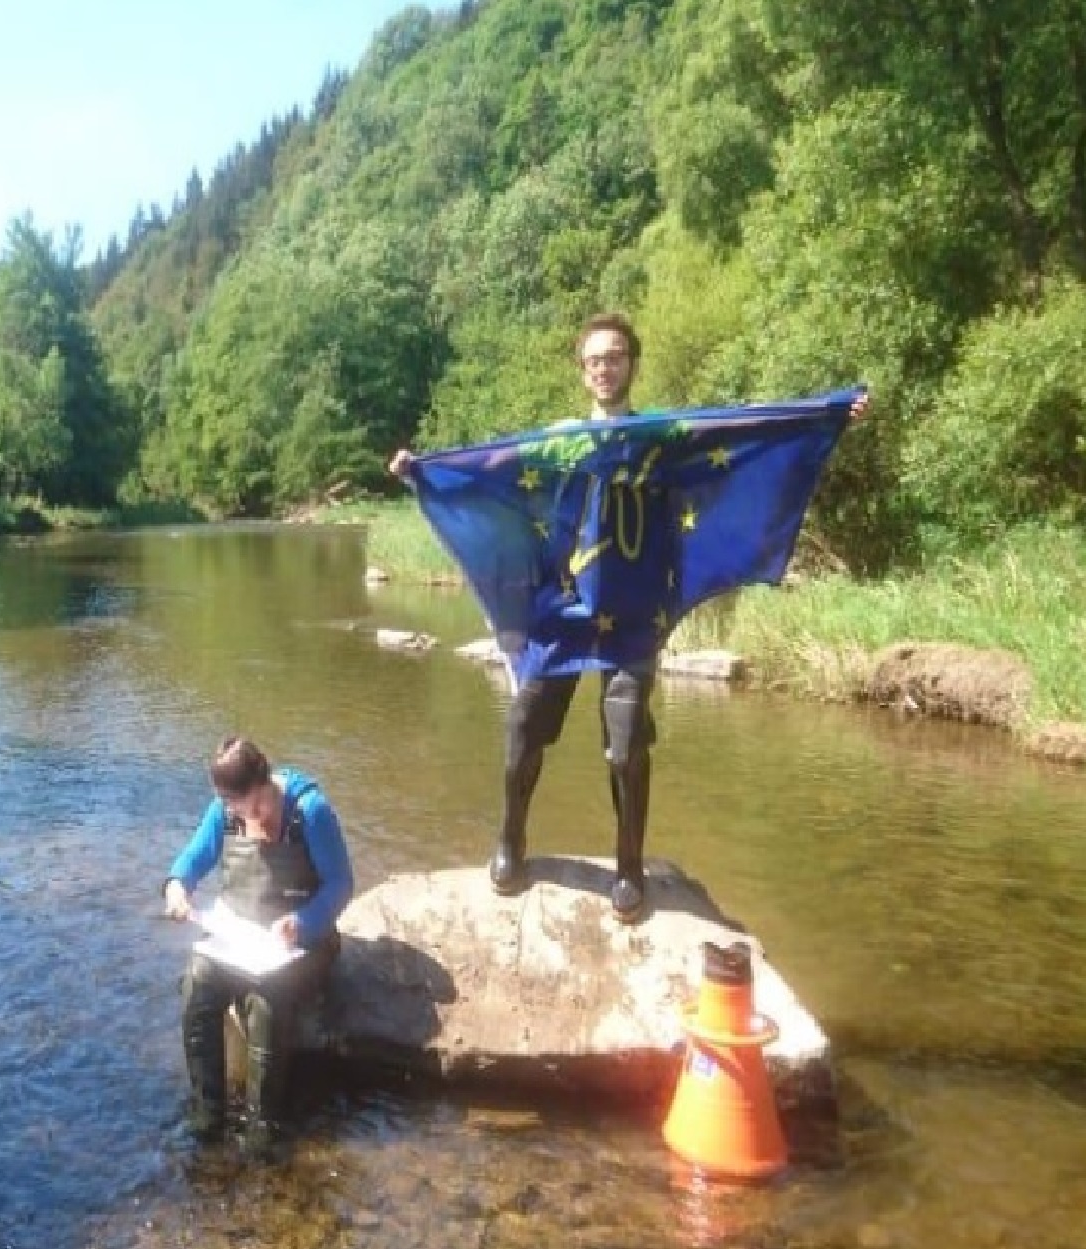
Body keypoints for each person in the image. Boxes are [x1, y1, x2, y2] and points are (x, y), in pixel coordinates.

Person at [389, 313, 867, 924]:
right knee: (523, 730)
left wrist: (827, 417)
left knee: (624, 750)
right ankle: (510, 842)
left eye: (613, 356)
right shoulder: (557, 440)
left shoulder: (660, 438)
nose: (603, 368)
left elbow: (748, 430)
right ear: (582, 370)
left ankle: (629, 866)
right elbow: (487, 472)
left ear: (631, 363)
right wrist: (420, 470)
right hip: (561, 610)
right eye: (592, 359)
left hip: (634, 612)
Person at [162, 736, 354, 1151]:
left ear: (266, 785)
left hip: (301, 943)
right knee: (197, 983)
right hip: (241, 938)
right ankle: (207, 1110)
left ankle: (262, 1127)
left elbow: (341, 884)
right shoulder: (226, 809)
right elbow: (195, 857)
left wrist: (303, 922)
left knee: (266, 1004)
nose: (249, 818)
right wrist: (178, 885)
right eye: (234, 807)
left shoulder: (311, 813)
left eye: (253, 807)